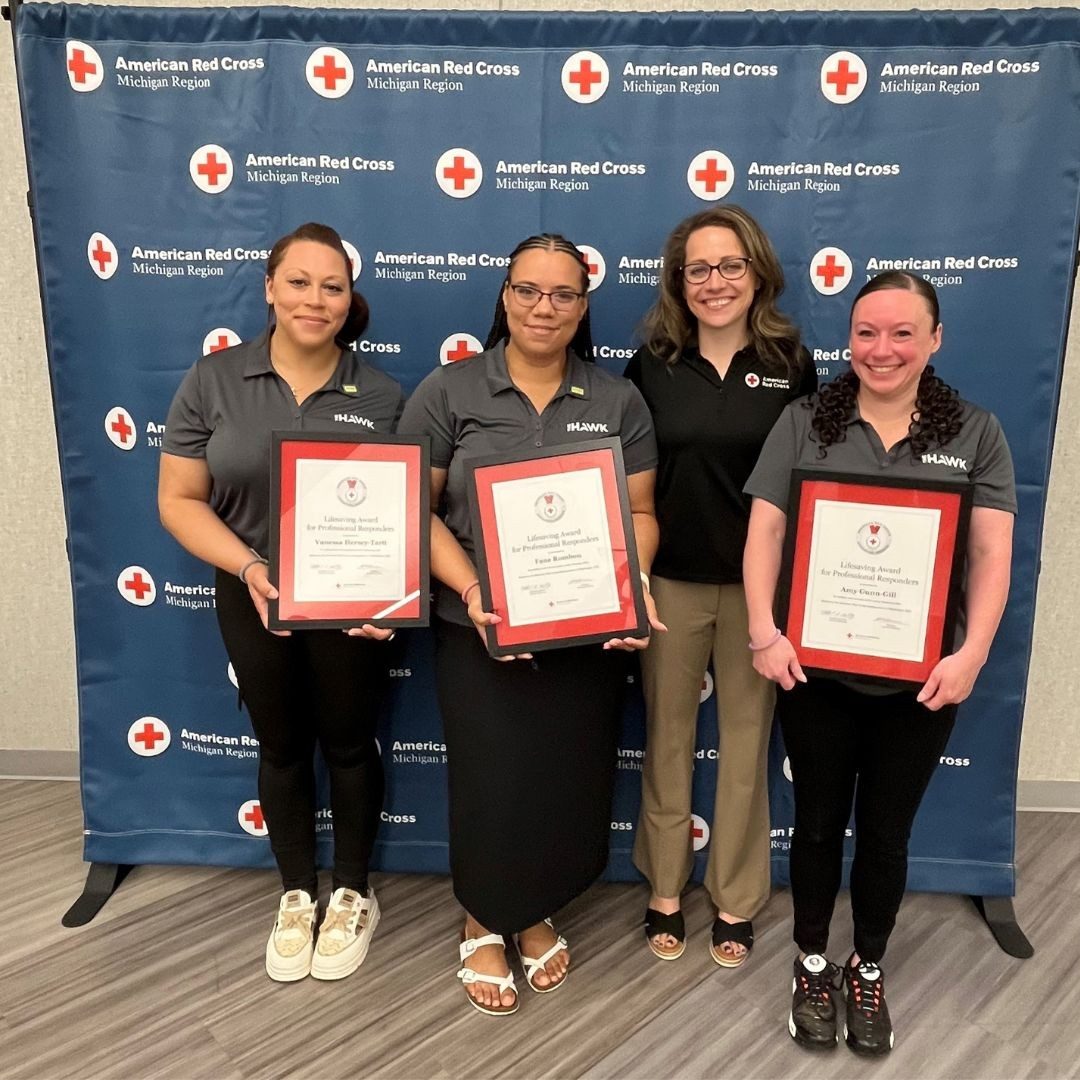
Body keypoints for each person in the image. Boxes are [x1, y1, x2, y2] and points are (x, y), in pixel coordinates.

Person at [743, 271, 1015, 1054]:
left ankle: (867, 966)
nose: (882, 349)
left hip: (923, 681)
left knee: (888, 833)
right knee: (819, 823)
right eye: (867, 332)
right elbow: (764, 533)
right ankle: (813, 960)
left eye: (902, 333)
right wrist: (765, 630)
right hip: (815, 673)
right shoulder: (805, 422)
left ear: (935, 340)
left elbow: (991, 556)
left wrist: (971, 654)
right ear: (849, 339)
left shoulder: (976, 432)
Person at [398, 233, 663, 1016]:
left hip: (584, 631)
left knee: (561, 774)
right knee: (490, 775)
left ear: (584, 308)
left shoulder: (617, 400)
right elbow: (415, 507)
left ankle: (535, 906)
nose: (545, 308)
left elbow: (642, 512)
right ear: (504, 296)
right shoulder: (449, 391)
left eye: (564, 295)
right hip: (475, 622)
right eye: (529, 291)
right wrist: (476, 587)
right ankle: (482, 917)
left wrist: (629, 585)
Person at [158, 223, 404, 983]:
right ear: (270, 288)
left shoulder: (385, 393)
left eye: (332, 286)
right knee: (281, 744)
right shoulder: (214, 379)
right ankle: (297, 891)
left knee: (350, 742)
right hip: (250, 591)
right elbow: (178, 499)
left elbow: (401, 514)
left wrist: (385, 593)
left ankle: (354, 891)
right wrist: (252, 564)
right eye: (299, 281)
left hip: (350, 605)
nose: (315, 299)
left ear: (349, 299)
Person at [626, 206, 815, 967]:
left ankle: (735, 899)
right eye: (698, 268)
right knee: (667, 738)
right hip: (669, 582)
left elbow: (807, 483)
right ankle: (665, 888)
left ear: (758, 272)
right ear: (679, 280)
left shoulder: (792, 363)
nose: (715, 282)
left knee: (746, 744)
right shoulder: (651, 364)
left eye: (731, 265)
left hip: (756, 592)